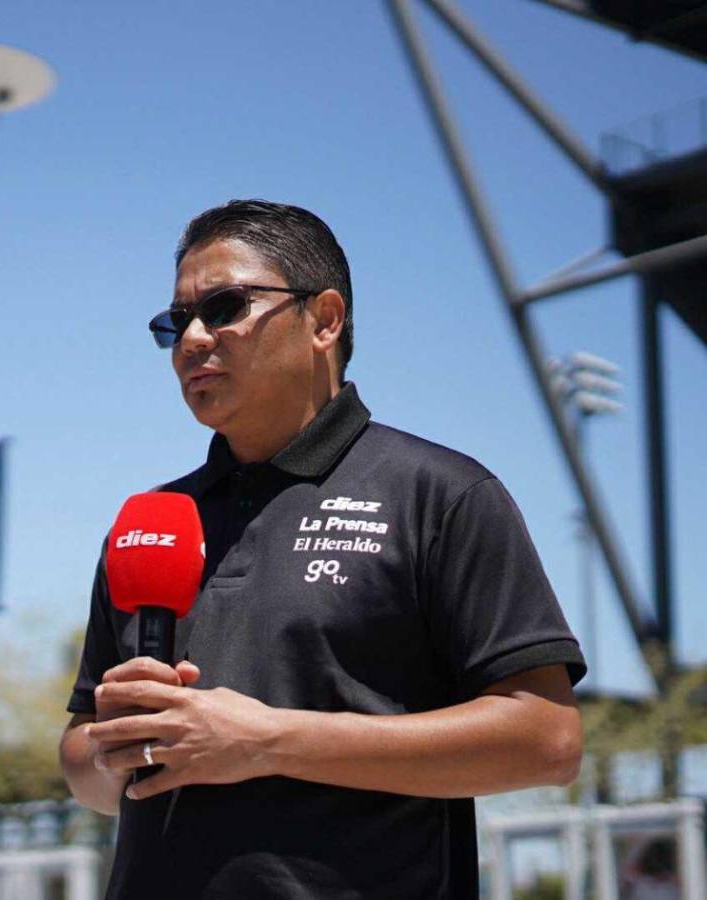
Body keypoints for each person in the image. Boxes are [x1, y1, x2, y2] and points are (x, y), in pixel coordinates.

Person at [60, 200, 586, 899]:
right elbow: (81, 760)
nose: (191, 339)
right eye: (174, 321)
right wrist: (118, 748)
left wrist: (266, 740)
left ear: (325, 319)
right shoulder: (148, 519)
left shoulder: (441, 495)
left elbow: (545, 741)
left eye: (223, 307)